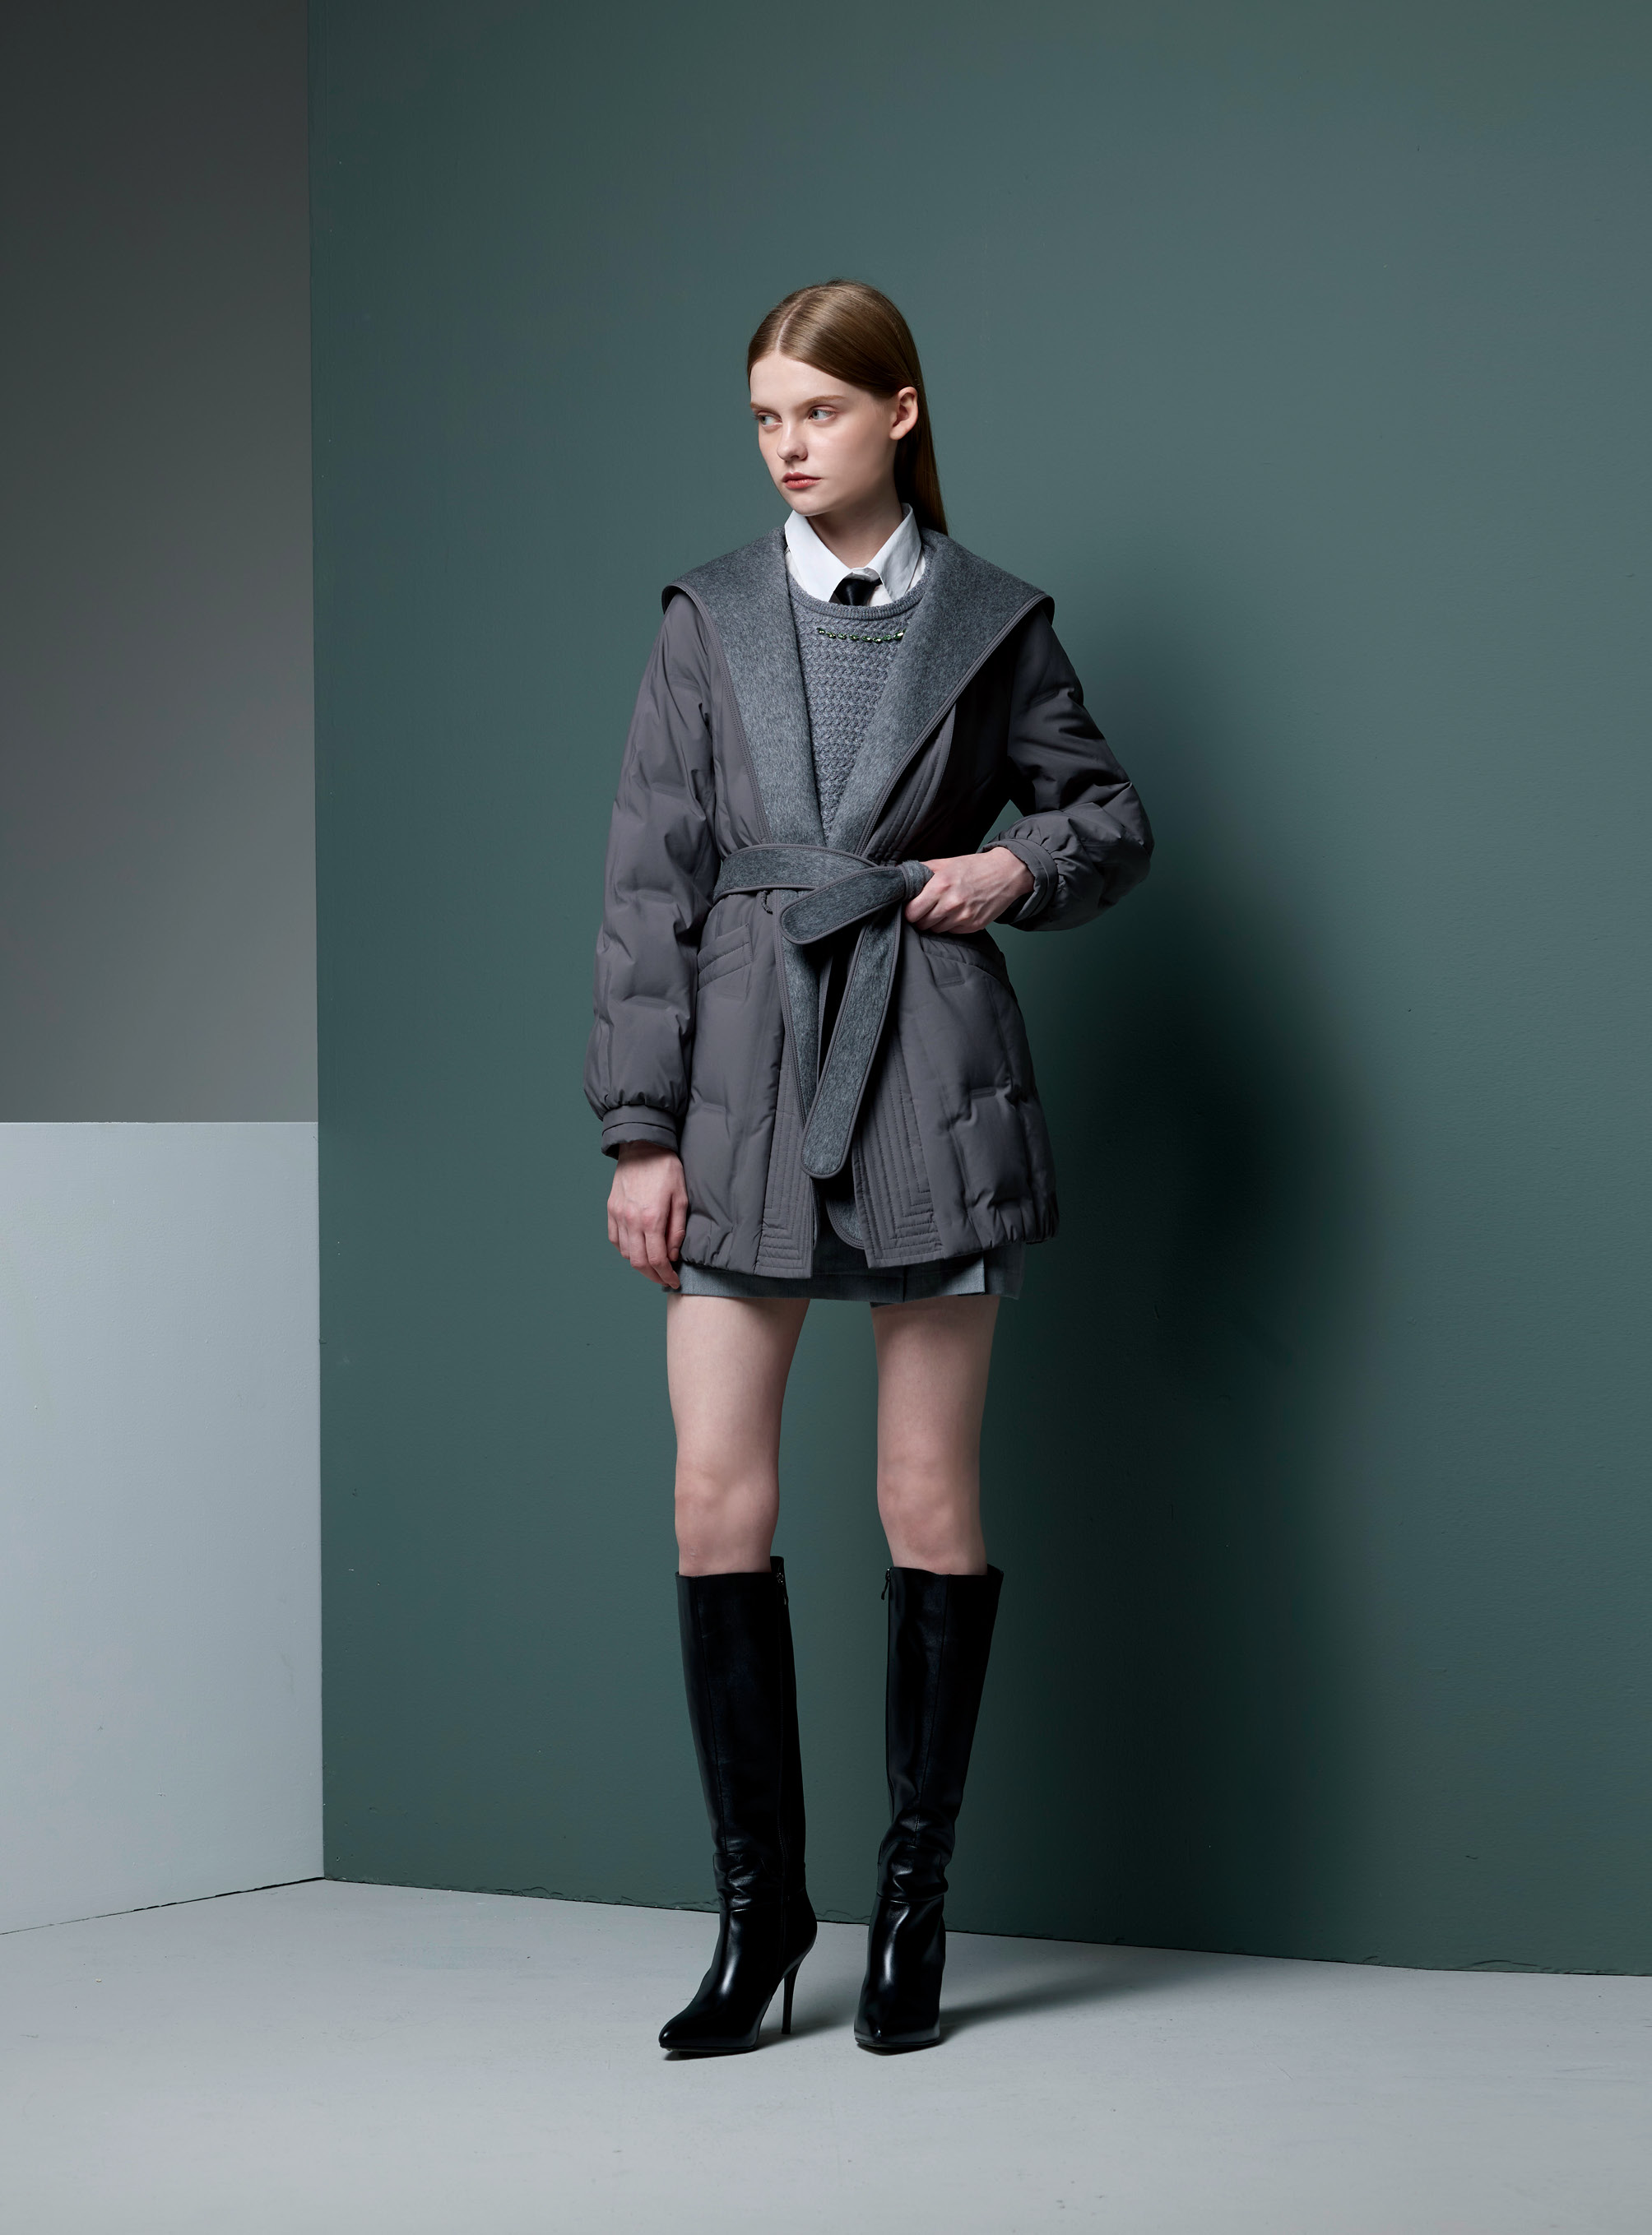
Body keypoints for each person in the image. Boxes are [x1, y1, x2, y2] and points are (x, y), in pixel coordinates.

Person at [585, 280, 1152, 2055]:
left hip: (929, 1067)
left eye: (816, 412)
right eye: (764, 417)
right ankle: (761, 1914)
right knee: (713, 1497)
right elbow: (648, 884)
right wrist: (641, 1129)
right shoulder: (706, 614)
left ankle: (914, 1906)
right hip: (741, 1077)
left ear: (899, 412)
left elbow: (1107, 815)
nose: (786, 445)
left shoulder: (995, 618)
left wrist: (1012, 869)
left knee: (925, 1494)